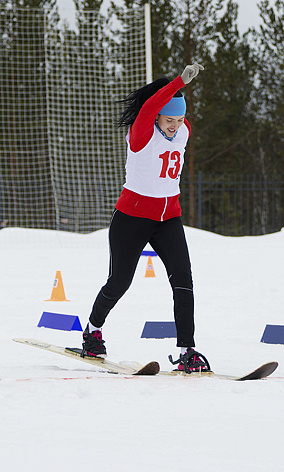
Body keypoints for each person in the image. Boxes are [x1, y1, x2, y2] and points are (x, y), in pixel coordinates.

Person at [80, 63, 210, 373]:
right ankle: (92, 331)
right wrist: (178, 81)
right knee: (119, 282)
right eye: (169, 120)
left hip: (169, 219)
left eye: (180, 120)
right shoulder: (140, 134)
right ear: (155, 116)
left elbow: (173, 112)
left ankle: (186, 349)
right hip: (131, 219)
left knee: (183, 280)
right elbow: (152, 104)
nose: (175, 126)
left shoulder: (183, 132)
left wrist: (177, 97)